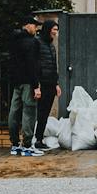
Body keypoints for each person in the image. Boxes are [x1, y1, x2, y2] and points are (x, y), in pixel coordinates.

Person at [4, 13, 46, 156]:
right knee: (29, 112)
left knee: (14, 112)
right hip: (28, 82)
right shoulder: (32, 42)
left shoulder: (14, 40)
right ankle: (27, 146)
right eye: (34, 25)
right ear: (27, 25)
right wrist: (36, 86)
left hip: (17, 81)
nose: (36, 29)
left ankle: (15, 145)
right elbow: (32, 65)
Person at [33, 20, 62, 151]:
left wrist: (56, 84)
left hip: (50, 84)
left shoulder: (51, 46)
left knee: (45, 113)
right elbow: (35, 65)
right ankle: (36, 139)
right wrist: (37, 85)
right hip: (42, 84)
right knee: (40, 112)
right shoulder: (38, 43)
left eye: (56, 30)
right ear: (48, 30)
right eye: (53, 30)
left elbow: (53, 66)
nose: (55, 33)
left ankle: (39, 138)